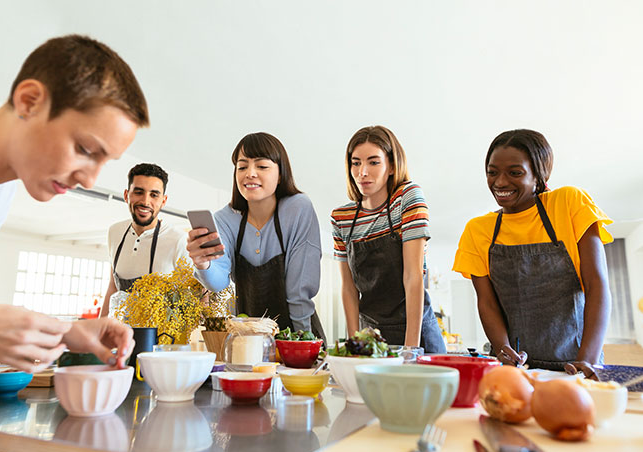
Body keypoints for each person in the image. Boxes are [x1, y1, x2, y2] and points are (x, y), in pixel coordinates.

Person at [0, 35, 149, 371]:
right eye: (84, 149)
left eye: (105, 161)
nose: (90, 180)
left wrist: (66, 334)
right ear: (29, 101)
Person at [452, 129, 611, 376]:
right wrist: (502, 348)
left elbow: (596, 285)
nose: (500, 182)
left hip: (577, 366)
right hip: (517, 371)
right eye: (492, 173)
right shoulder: (478, 230)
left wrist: (586, 362)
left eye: (515, 173)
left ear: (538, 175)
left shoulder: (569, 203)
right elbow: (487, 303)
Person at [186, 132, 326, 340]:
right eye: (242, 167)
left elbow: (299, 291)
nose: (250, 173)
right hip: (249, 339)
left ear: (280, 174)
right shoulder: (225, 219)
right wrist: (202, 264)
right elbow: (218, 283)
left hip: (297, 332)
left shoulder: (297, 208)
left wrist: (303, 342)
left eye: (261, 166)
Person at [331, 125, 445, 350]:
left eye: (374, 162)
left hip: (416, 334)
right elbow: (349, 288)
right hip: (372, 337)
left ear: (392, 166)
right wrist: (356, 345)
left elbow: (413, 276)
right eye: (356, 163)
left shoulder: (407, 198)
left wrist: (410, 350)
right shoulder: (341, 218)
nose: (363, 172)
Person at [100, 163, 190, 317]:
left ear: (163, 200)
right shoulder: (114, 232)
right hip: (120, 333)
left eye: (154, 195)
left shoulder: (178, 239)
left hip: (163, 338)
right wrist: (99, 328)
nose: (145, 201)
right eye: (139, 192)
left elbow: (194, 297)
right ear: (127, 195)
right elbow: (112, 288)